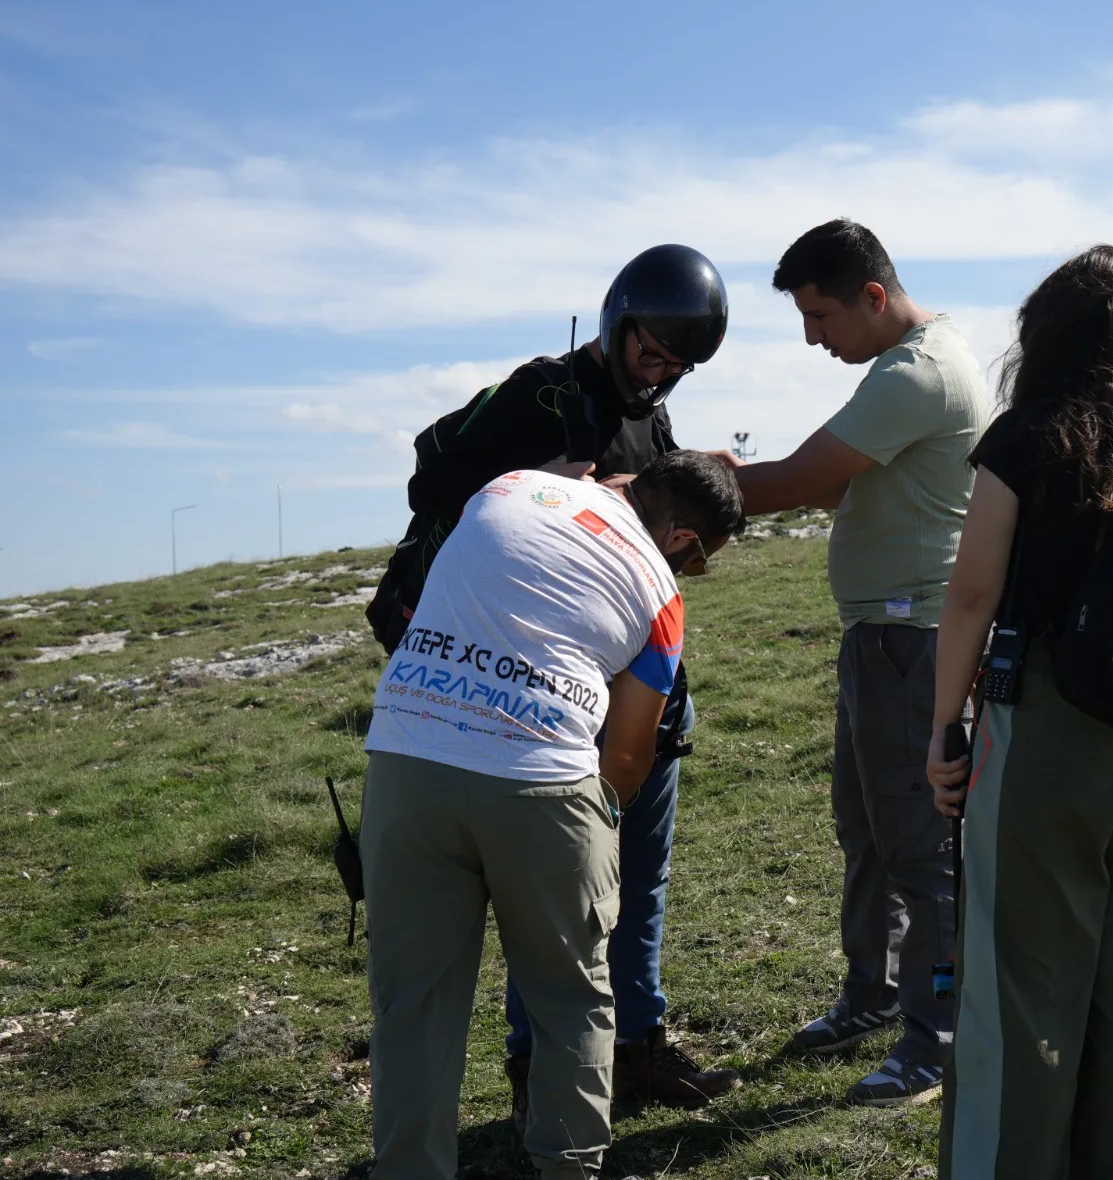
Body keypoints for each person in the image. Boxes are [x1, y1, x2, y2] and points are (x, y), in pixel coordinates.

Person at [364, 244, 742, 1117]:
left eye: (681, 367)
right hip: (515, 699)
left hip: (623, 681)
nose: (662, 376)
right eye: (653, 353)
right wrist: (541, 483)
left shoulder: (652, 419)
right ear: (619, 321)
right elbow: (431, 473)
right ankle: (540, 1064)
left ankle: (636, 1043)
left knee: (637, 874)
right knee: (555, 897)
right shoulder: (542, 390)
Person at [926, 245, 1113, 1179]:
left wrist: (945, 730)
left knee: (1022, 988)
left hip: (1048, 731)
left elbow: (972, 594)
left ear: (1044, 336)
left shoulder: (1028, 435)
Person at [724, 219, 988, 1105]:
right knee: (868, 831)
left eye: (821, 315)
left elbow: (802, 480)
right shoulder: (900, 368)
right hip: (883, 638)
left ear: (873, 297)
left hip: (910, 640)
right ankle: (873, 995)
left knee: (917, 843)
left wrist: (656, 489)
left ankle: (935, 1036)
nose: (812, 336)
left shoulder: (918, 372)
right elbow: (832, 477)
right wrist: (725, 473)